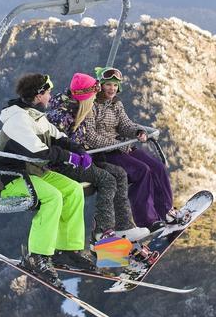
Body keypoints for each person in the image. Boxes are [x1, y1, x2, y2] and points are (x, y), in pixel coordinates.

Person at [0, 72, 97, 289]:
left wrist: (77, 150)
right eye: (47, 92)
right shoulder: (17, 120)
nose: (50, 96)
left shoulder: (34, 115)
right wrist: (71, 158)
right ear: (39, 95)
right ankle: (37, 256)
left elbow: (58, 137)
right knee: (53, 198)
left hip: (33, 173)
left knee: (73, 190)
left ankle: (67, 249)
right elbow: (41, 152)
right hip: (12, 178)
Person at [46, 72, 148, 248]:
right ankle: (103, 232)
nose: (95, 100)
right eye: (93, 96)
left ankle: (124, 226)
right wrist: (76, 155)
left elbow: (84, 138)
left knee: (119, 173)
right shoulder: (63, 115)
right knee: (107, 179)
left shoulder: (80, 108)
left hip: (83, 157)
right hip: (65, 164)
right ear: (86, 96)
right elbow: (56, 144)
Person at [78, 66, 188, 230]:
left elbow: (125, 125)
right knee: (141, 171)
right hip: (105, 153)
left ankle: (166, 211)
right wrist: (116, 145)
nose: (112, 89)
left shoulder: (115, 104)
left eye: (115, 86)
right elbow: (91, 137)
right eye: (108, 85)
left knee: (157, 168)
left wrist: (137, 131)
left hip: (122, 147)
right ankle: (148, 220)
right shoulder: (92, 106)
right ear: (100, 85)